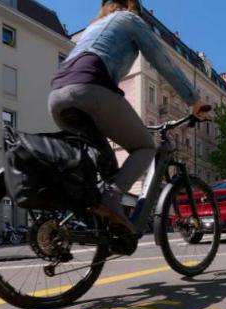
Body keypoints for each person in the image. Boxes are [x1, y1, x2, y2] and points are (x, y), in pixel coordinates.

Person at [49, 0, 210, 233]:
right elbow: (161, 60)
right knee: (145, 146)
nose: (138, 12)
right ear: (129, 4)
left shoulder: (92, 28)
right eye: (137, 8)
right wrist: (194, 100)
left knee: (106, 164)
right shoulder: (129, 19)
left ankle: (97, 226)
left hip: (57, 97)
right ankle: (111, 199)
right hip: (90, 89)